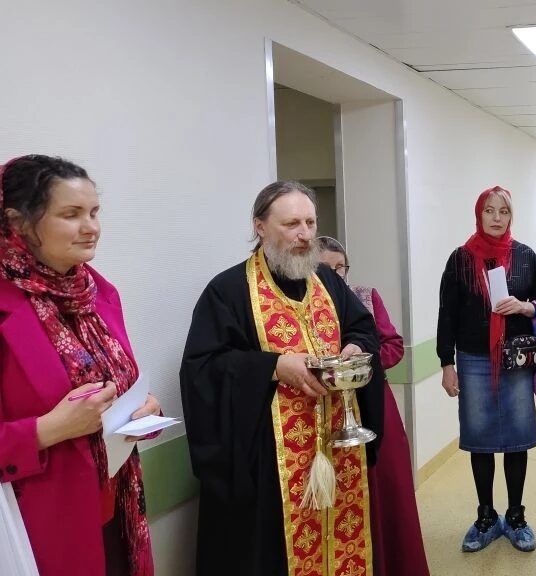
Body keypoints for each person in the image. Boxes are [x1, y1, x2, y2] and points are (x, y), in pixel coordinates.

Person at [180, 181, 384, 576]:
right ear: (260, 227)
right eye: (292, 224)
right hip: (269, 465)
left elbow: (362, 328)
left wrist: (355, 347)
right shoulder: (228, 290)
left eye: (310, 222)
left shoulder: (327, 281)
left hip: (337, 448)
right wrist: (273, 367)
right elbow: (204, 368)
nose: (305, 234)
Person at [0, 155, 161, 575]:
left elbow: (117, 387)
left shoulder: (96, 292)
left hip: (117, 512)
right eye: (71, 214)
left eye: (93, 212)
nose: (91, 227)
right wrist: (49, 429)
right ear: (18, 223)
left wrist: (142, 410)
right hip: (37, 526)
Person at [436, 186, 536, 554]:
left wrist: (526, 307)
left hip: (516, 359)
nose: (497, 218)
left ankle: (515, 516)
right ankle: (486, 516)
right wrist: (446, 363)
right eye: (489, 211)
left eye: (504, 211)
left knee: (517, 438)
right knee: (479, 438)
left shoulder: (525, 257)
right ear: (479, 214)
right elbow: (447, 314)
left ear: (511, 216)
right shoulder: (461, 259)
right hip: (473, 360)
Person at [317, 236, 429, 576]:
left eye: (340, 267)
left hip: (374, 405)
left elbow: (393, 345)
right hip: (322, 411)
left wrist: (361, 361)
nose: (335, 274)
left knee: (386, 486)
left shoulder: (365, 296)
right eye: (326, 268)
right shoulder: (303, 309)